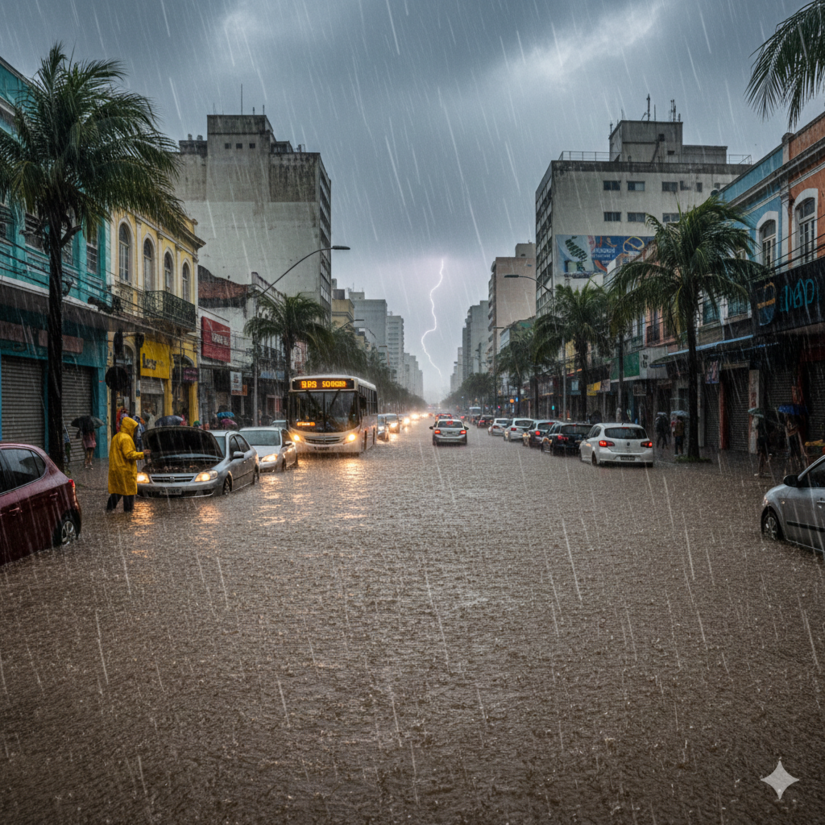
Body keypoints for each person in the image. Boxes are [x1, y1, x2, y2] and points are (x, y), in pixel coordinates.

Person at [106, 417, 149, 513]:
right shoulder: (126, 438)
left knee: (117, 492)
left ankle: (109, 510)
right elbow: (129, 454)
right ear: (129, 427)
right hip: (125, 470)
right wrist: (142, 454)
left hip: (116, 469)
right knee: (128, 493)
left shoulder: (116, 436)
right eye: (134, 428)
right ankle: (128, 514)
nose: (135, 431)